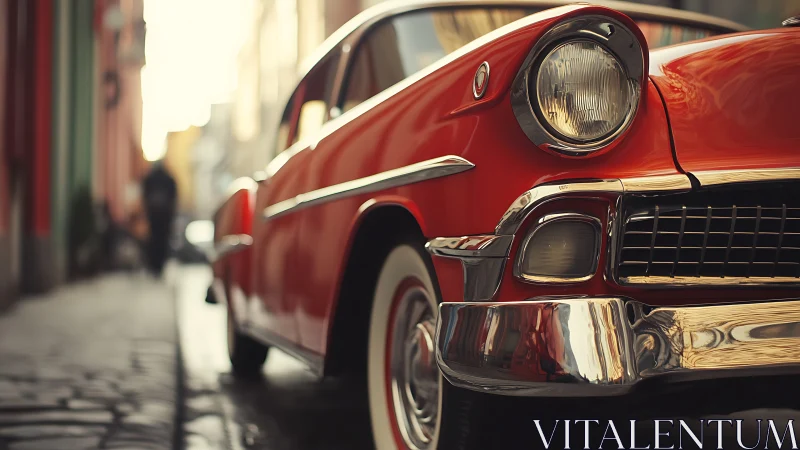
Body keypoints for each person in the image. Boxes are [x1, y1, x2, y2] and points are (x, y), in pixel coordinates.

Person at [142, 161, 177, 276]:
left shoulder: (150, 179)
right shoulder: (169, 179)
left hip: (154, 216)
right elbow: (174, 197)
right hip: (164, 217)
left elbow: (144, 195)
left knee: (154, 240)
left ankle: (154, 266)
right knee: (162, 241)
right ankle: (158, 266)